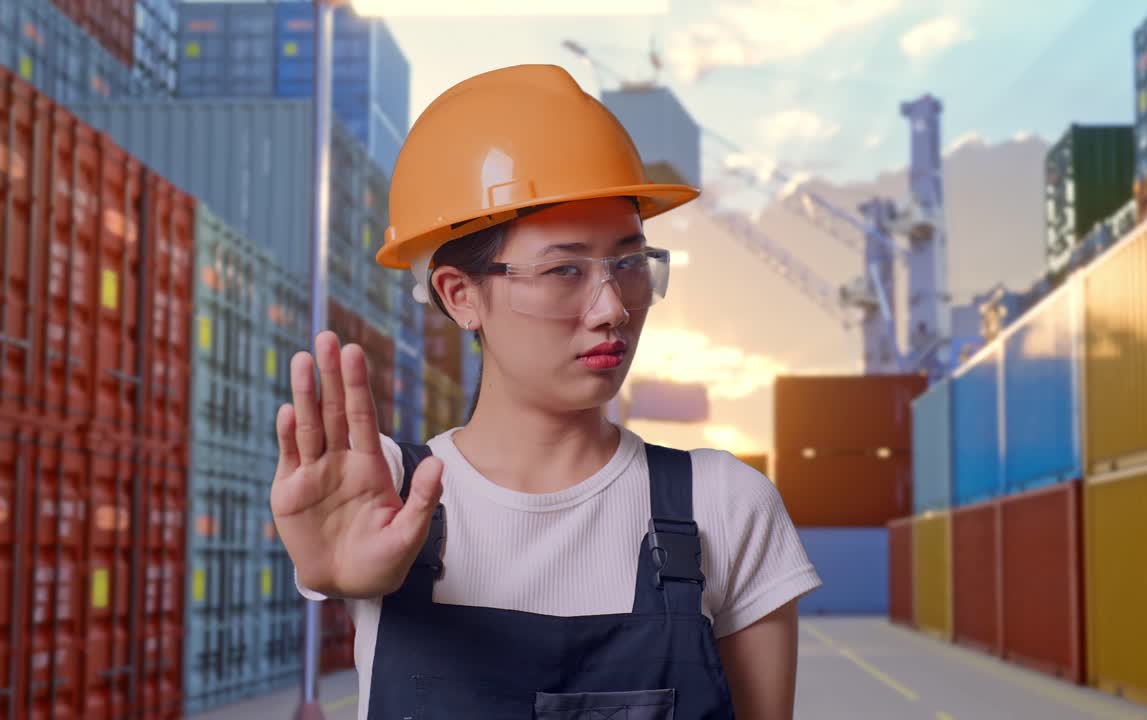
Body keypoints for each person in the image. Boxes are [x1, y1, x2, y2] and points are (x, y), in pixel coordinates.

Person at [270, 64, 821, 719]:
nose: (612, 307)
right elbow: (340, 553)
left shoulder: (726, 508)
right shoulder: (387, 498)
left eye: (629, 263)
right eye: (565, 269)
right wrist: (334, 578)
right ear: (460, 295)